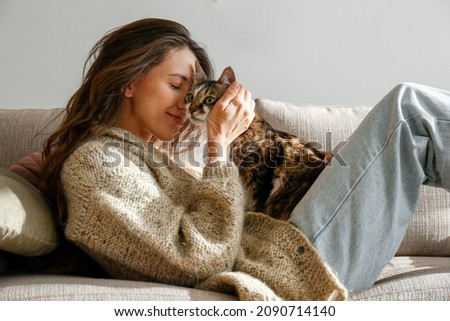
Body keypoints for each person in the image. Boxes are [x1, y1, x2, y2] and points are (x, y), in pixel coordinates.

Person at [40, 18, 450, 301]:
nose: (187, 105)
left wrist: (319, 181)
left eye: (194, 93)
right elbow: (200, 256)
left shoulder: (137, 158)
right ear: (129, 80)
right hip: (293, 268)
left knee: (408, 123)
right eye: (176, 85)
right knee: (409, 111)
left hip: (292, 244)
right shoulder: (95, 164)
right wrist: (218, 143)